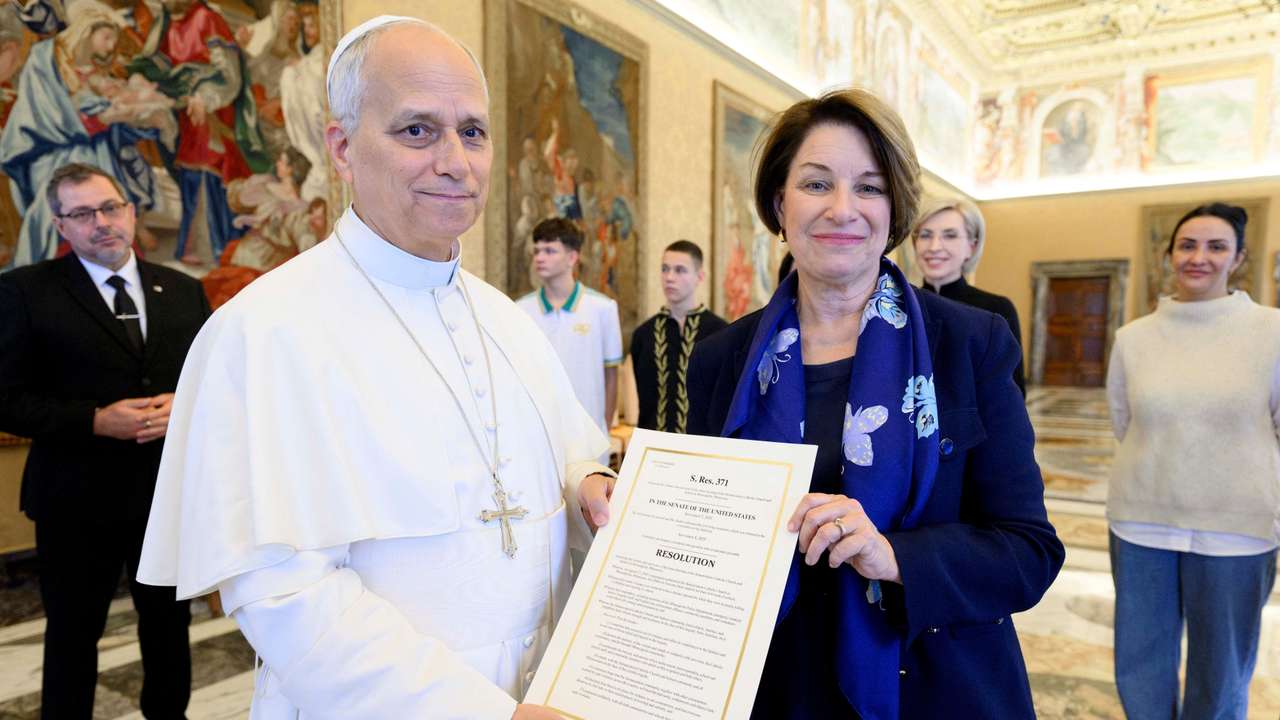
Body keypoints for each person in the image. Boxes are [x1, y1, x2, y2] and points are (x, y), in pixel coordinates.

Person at [136, 17, 616, 720]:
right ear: (340, 147)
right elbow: (283, 590)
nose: (456, 161)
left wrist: (586, 484)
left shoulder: (507, 320)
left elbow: (568, 452)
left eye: (473, 132)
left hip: (543, 689)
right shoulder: (265, 331)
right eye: (417, 130)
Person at [681, 89, 1063, 718]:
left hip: (932, 683)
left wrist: (893, 554)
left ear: (895, 209)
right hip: (771, 685)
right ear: (779, 204)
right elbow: (702, 524)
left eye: (869, 187)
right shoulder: (723, 359)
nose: (842, 209)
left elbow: (1029, 552)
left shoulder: (968, 344)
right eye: (815, 184)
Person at [0, 162, 209, 718]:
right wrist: (92, 420)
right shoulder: (24, 292)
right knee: (73, 634)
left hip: (163, 497)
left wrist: (185, 407)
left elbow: (217, 385)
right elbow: (6, 399)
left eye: (111, 207)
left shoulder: (185, 292)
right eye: (83, 214)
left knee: (169, 625)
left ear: (132, 211)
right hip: (73, 499)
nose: (102, 223)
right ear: (60, 225)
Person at [1106, 202, 1279, 720]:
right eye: (1187, 245)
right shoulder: (1132, 338)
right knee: (1140, 665)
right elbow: (1124, 420)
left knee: (1222, 672)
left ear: (1239, 258)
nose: (1199, 257)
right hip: (1142, 523)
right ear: (1170, 254)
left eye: (1216, 246)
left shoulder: (1271, 331)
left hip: (1238, 529)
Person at [517, 217, 623, 439]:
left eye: (549, 251)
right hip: (538, 432)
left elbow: (611, 373)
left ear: (572, 257)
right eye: (536, 251)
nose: (540, 258)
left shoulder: (603, 308)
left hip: (588, 433)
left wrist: (603, 428)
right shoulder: (520, 310)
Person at [912, 197, 1025, 396]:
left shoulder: (996, 310)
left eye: (950, 235)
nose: (934, 247)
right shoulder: (900, 305)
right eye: (925, 235)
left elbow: (1012, 393)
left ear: (971, 247)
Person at [629, 240, 727, 433]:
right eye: (665, 269)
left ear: (700, 276)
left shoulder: (720, 333)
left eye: (680, 270)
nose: (669, 277)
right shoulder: (643, 334)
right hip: (654, 447)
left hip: (703, 448)